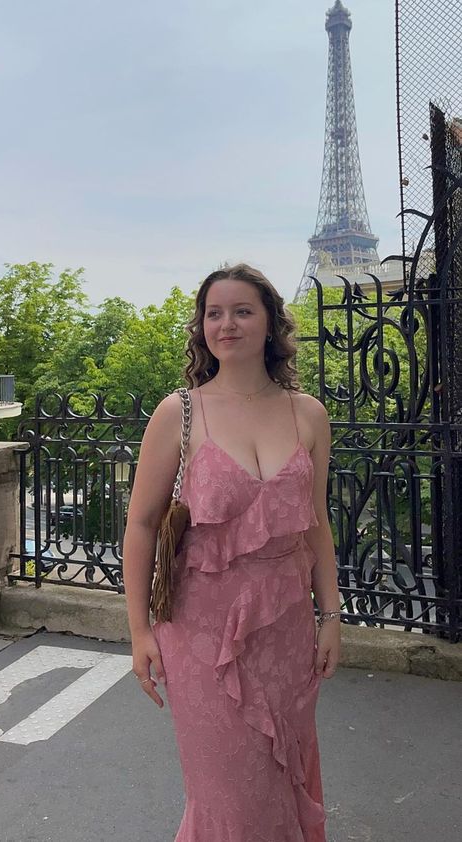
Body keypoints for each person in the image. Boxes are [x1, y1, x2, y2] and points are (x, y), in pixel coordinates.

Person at [122, 263, 341, 841]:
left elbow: (316, 524)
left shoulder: (308, 413)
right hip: (199, 629)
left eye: (242, 311)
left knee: (282, 775)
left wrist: (332, 617)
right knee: (226, 793)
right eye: (214, 313)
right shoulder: (179, 412)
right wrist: (140, 631)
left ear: (270, 322)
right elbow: (142, 525)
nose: (227, 324)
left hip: (286, 627)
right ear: (201, 329)